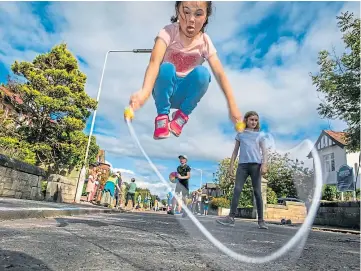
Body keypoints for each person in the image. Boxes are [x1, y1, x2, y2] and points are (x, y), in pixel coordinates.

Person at [128, 1, 242, 140]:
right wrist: (144, 92)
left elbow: (220, 73)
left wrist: (232, 105)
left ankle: (181, 115)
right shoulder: (168, 32)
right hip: (164, 90)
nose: (191, 20)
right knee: (166, 68)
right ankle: (162, 116)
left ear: (206, 17)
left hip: (185, 95)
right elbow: (154, 62)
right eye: (186, 12)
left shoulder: (205, 42)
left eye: (198, 14)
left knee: (203, 74)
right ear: (177, 11)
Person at [216, 111, 269, 229]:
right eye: (251, 120)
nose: (254, 122)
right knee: (237, 189)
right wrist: (231, 166)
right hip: (242, 166)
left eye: (256, 120)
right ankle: (231, 218)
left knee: (257, 192)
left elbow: (264, 151)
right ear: (246, 120)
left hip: (256, 166)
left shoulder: (260, 135)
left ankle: (261, 221)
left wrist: (264, 165)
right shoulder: (240, 134)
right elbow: (235, 151)